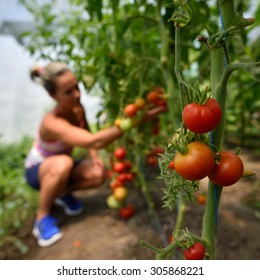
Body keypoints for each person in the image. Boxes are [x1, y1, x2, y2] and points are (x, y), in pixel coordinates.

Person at [24, 61, 166, 247]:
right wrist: (138, 120)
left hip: (61, 165)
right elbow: (94, 141)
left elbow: (87, 133)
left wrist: (95, 158)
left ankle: (60, 193)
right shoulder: (51, 122)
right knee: (63, 163)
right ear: (53, 95)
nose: (77, 94)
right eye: (68, 92)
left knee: (98, 173)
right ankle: (42, 218)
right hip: (38, 169)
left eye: (77, 87)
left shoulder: (77, 108)